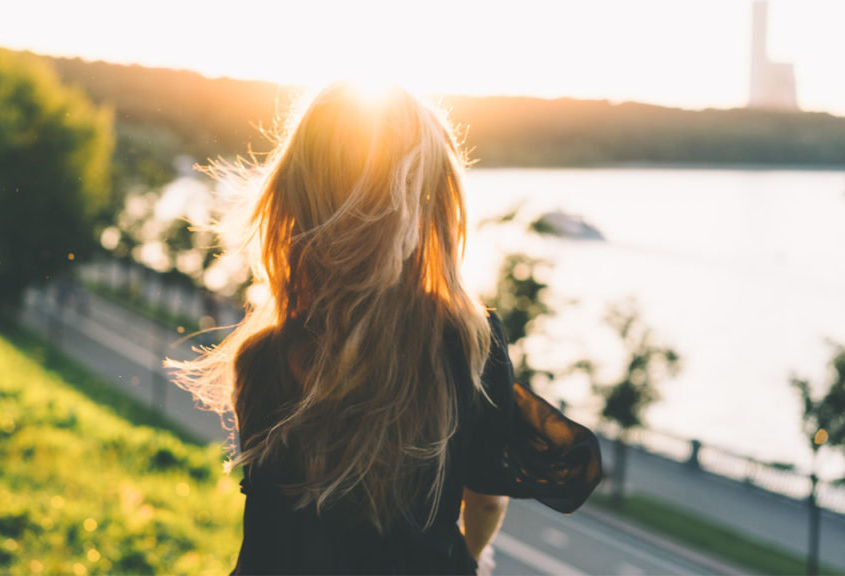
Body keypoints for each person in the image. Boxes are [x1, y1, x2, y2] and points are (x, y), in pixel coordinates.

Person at [170, 81, 601, 574]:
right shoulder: (467, 345)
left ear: (294, 199)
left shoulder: (259, 357)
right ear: (428, 210)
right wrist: (473, 557)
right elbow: (485, 500)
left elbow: (283, 523)